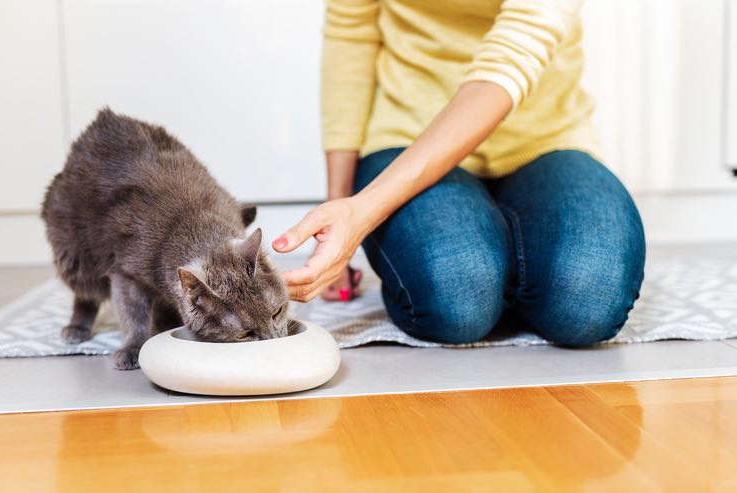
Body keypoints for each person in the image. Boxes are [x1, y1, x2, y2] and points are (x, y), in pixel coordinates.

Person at [272, 0, 646, 346]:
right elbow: (350, 34)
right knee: (458, 298)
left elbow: (515, 52)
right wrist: (339, 211)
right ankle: (496, 261)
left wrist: (364, 212)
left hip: (546, 135)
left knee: (588, 302)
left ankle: (505, 258)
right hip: (408, 133)